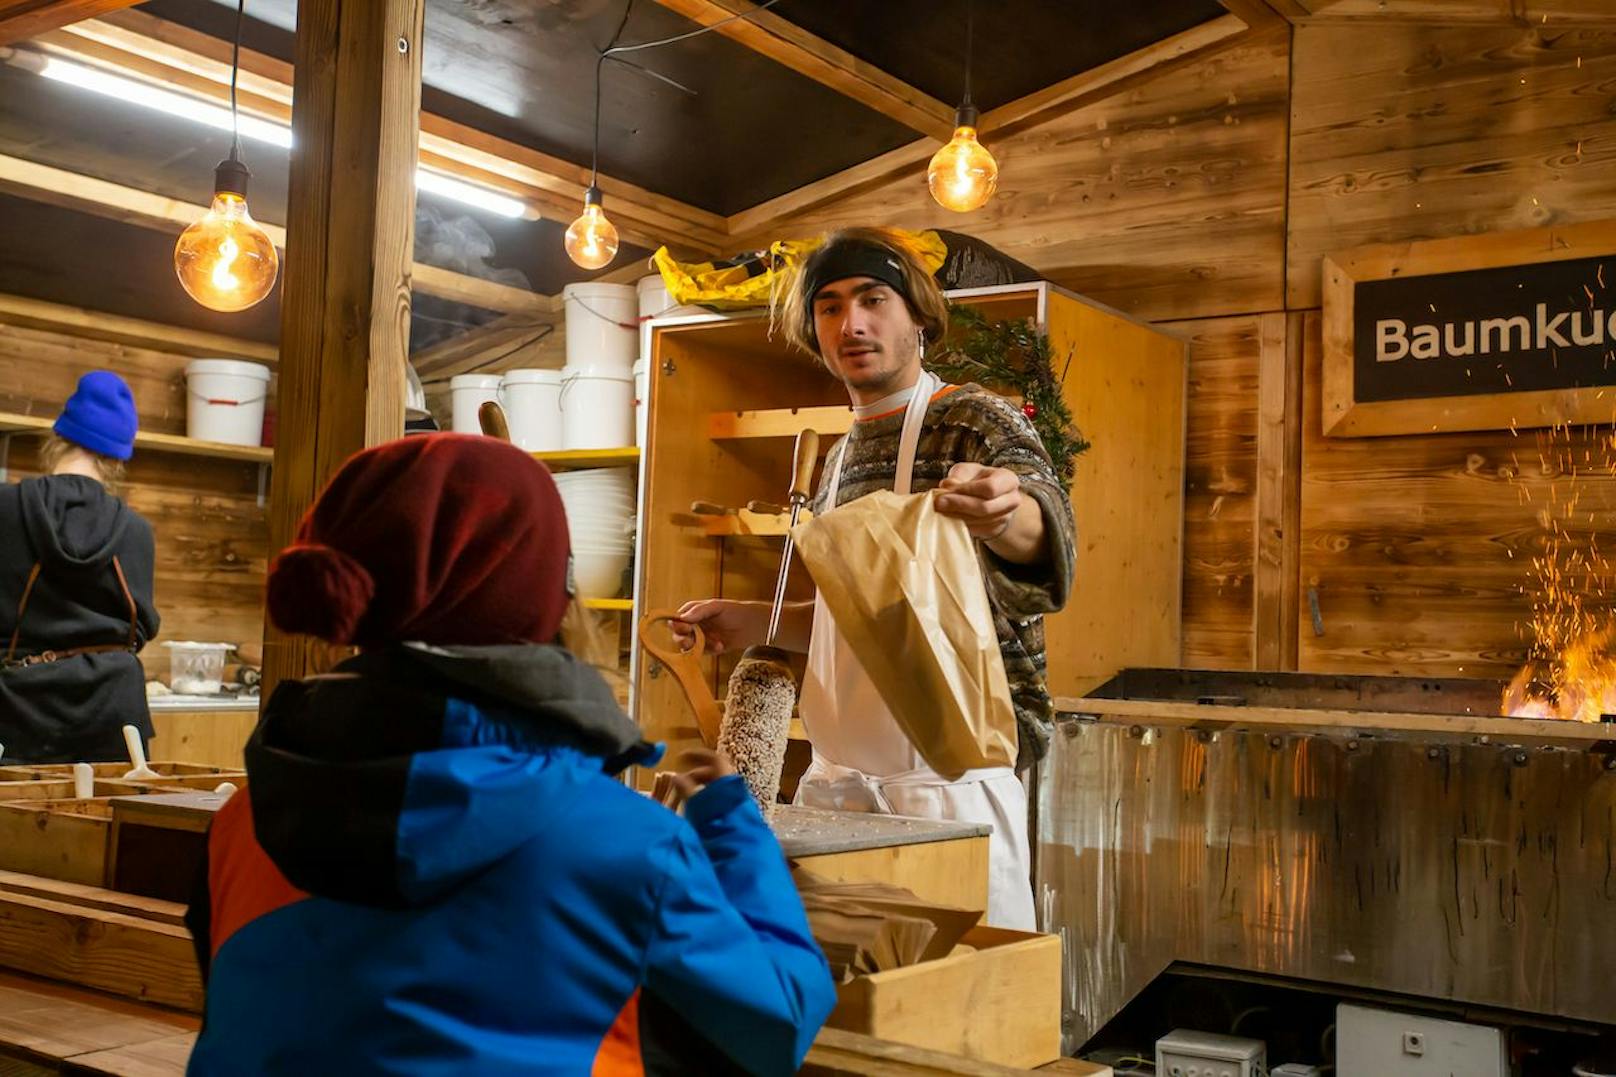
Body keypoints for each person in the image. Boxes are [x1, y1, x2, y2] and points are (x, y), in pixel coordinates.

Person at [185, 434, 835, 1076]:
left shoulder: (241, 825)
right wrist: (729, 828)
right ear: (543, 598)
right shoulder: (629, 847)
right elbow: (774, 1028)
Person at [675, 227, 1077, 930]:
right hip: (837, 788)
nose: (851, 323)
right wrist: (753, 619)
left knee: (966, 1015)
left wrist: (1007, 512)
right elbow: (860, 618)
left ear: (918, 314)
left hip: (949, 793)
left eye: (872, 298)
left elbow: (1045, 532)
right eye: (829, 306)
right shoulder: (836, 459)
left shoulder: (971, 419)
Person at [0, 371, 159, 763]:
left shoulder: (6, 509)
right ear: (117, 458)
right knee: (112, 824)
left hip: (18, 714)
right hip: (115, 719)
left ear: (58, 437)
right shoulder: (137, 532)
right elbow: (141, 627)